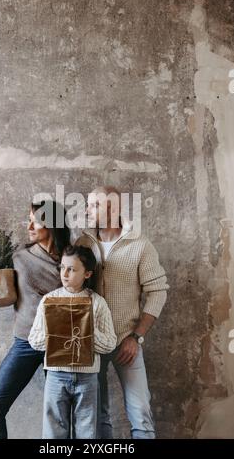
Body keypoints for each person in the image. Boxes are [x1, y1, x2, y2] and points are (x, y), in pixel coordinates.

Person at [76, 186, 169, 439]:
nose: (87, 210)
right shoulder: (84, 242)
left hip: (125, 341)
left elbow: (158, 291)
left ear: (112, 209)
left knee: (141, 415)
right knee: (97, 418)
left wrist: (136, 337)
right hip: (91, 344)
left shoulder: (140, 244)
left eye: (94, 205)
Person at [0, 200, 70, 439]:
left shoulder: (72, 258)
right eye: (28, 219)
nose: (28, 225)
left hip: (62, 345)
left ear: (52, 224)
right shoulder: (18, 257)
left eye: (35, 220)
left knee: (62, 418)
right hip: (25, 342)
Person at [28, 245, 117, 439]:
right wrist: (59, 331)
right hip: (56, 376)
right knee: (53, 432)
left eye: (72, 269)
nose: (65, 274)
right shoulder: (49, 301)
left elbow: (110, 343)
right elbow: (34, 340)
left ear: (87, 274)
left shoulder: (98, 303)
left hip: (88, 378)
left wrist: (87, 329)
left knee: (87, 432)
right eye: (62, 268)